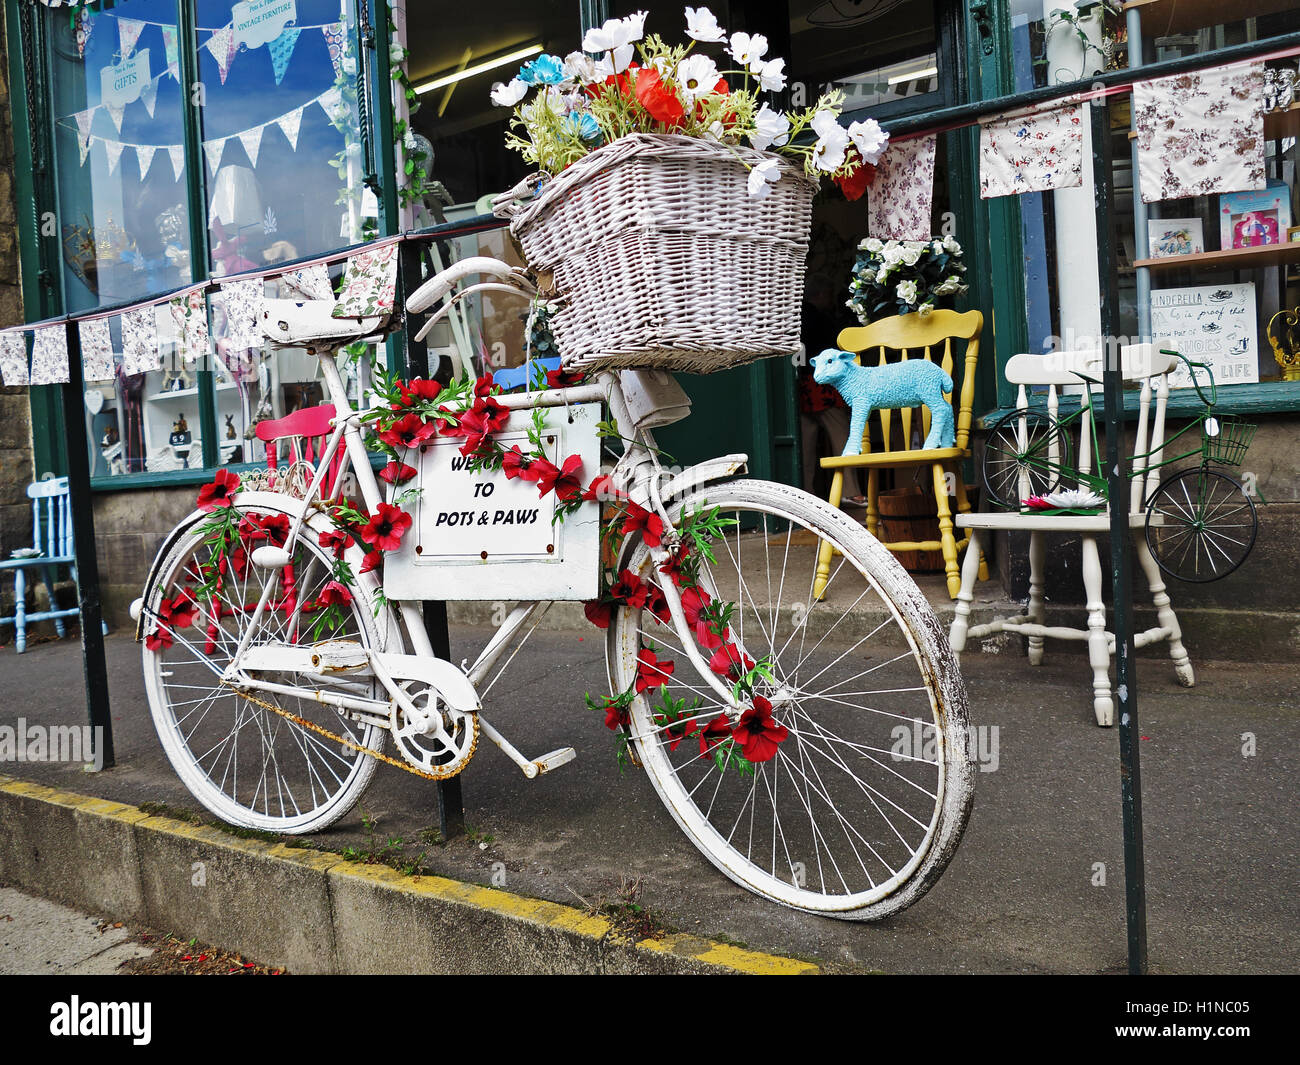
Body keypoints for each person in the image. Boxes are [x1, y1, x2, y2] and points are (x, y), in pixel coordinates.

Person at [798, 278, 864, 506]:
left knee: (805, 441)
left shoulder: (799, 316)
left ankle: (805, 492)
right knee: (842, 435)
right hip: (822, 386)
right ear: (819, 295)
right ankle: (851, 490)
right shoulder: (817, 317)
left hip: (803, 384)